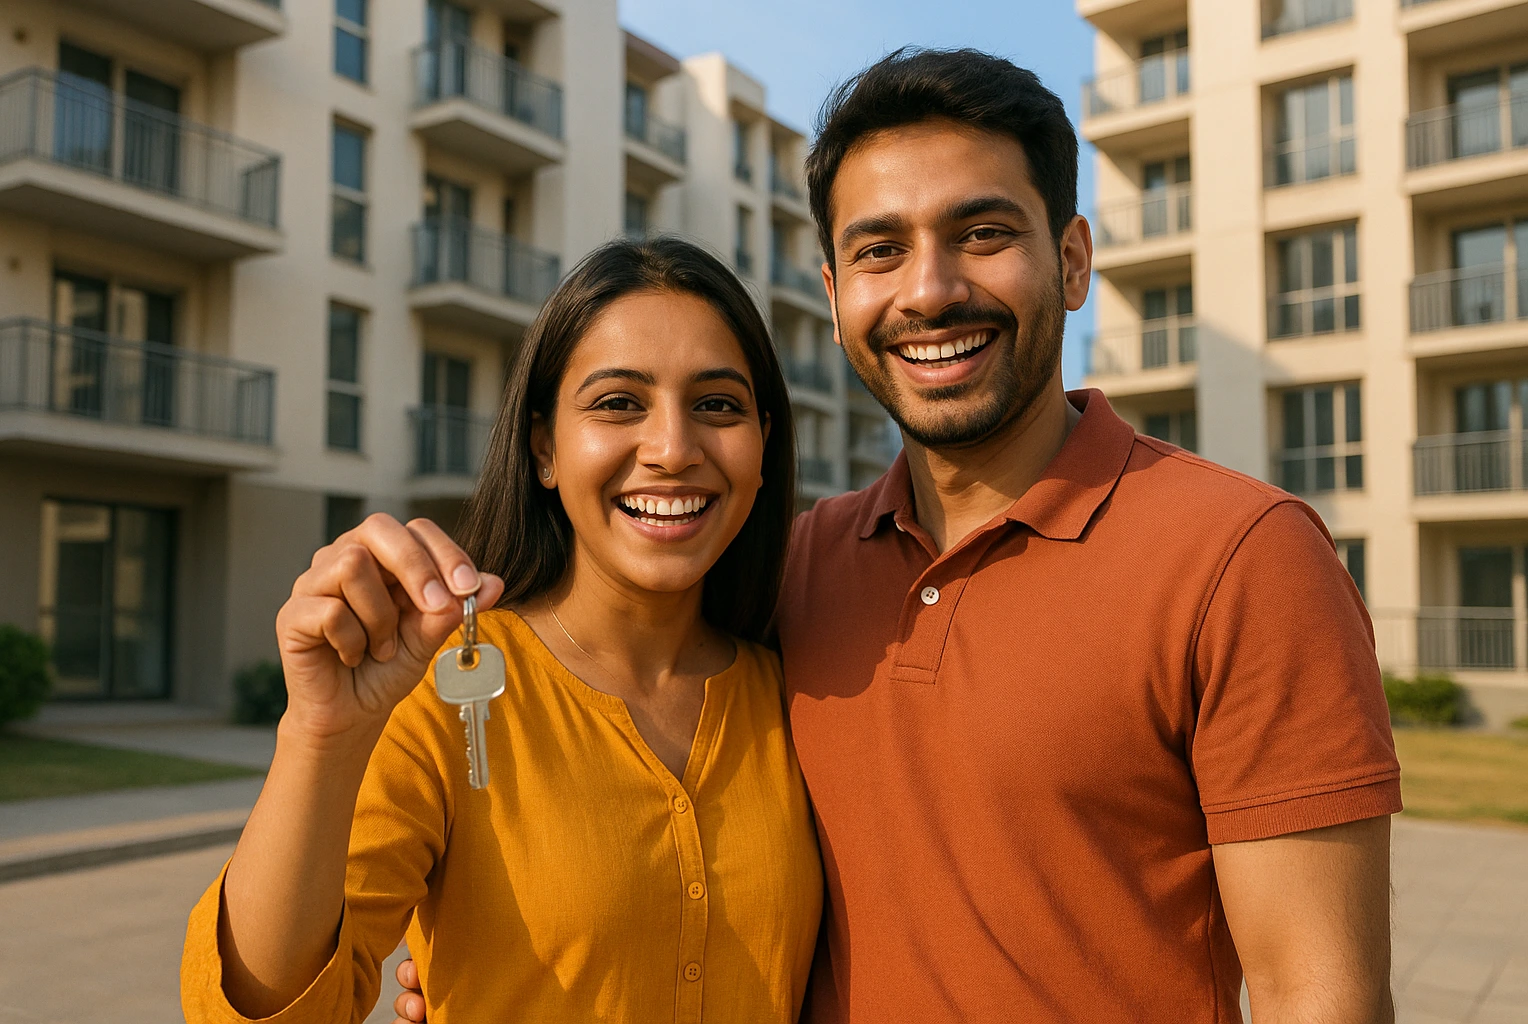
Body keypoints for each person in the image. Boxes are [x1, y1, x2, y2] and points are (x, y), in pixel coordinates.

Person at [384, 47, 1401, 1024]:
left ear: (1074, 260)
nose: (929, 289)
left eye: (983, 233)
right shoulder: (791, 570)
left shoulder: (1243, 556)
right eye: (880, 250)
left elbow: (1324, 996)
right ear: (833, 297)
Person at [179, 236, 823, 1023]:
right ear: (545, 446)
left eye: (717, 405)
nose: (672, 450)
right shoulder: (443, 689)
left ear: (763, 442)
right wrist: (319, 734)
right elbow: (261, 1010)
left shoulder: (806, 695)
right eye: (618, 402)